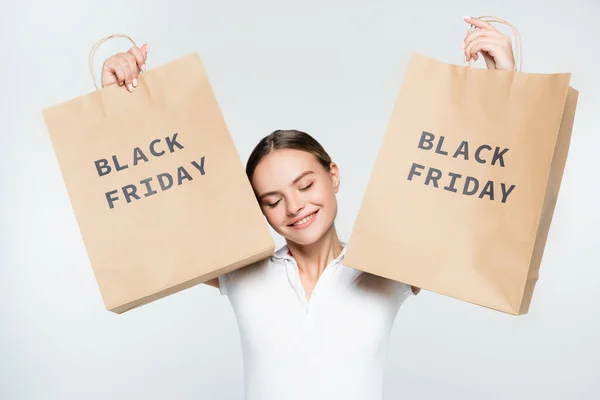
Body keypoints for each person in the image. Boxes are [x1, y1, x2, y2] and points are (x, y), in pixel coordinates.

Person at [100, 16, 516, 400]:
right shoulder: (241, 270)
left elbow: (469, 202)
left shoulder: (389, 267)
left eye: (305, 184)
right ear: (259, 210)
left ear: (332, 175)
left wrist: (505, 87)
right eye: (273, 200)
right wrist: (118, 104)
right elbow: (152, 213)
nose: (295, 206)